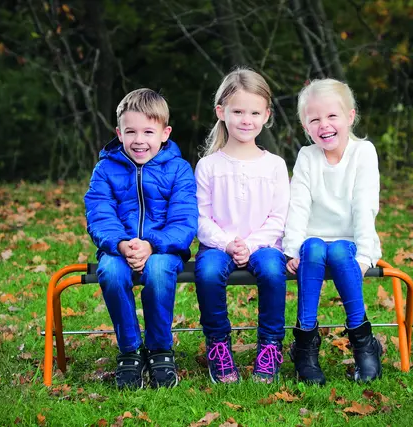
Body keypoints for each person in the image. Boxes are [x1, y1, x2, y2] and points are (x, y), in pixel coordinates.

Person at [84, 88, 197, 389]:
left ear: (165, 133)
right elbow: (99, 214)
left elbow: (185, 220)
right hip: (118, 249)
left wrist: (151, 244)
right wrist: (121, 244)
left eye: (148, 132)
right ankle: (130, 350)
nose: (139, 140)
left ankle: (160, 349)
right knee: (111, 272)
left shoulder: (178, 169)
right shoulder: (105, 169)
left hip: (163, 249)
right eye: (130, 131)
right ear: (118, 133)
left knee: (158, 271)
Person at [283, 78, 383, 385]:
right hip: (312, 243)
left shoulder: (363, 152)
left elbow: (364, 206)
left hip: (351, 242)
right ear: (305, 126)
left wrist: (364, 256)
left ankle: (363, 342)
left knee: (339, 250)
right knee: (313, 247)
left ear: (350, 116)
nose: (324, 125)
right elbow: (298, 204)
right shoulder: (307, 156)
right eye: (314, 119)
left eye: (331, 116)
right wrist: (292, 249)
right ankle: (304, 346)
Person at [194, 68, 290, 384]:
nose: (246, 120)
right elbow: (201, 218)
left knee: (273, 271)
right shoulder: (208, 166)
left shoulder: (274, 165)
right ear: (221, 112)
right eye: (237, 112)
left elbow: (278, 217)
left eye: (254, 113)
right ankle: (218, 345)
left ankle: (270, 346)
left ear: (266, 116)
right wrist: (227, 243)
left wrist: (250, 244)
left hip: (264, 246)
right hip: (218, 246)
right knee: (208, 272)